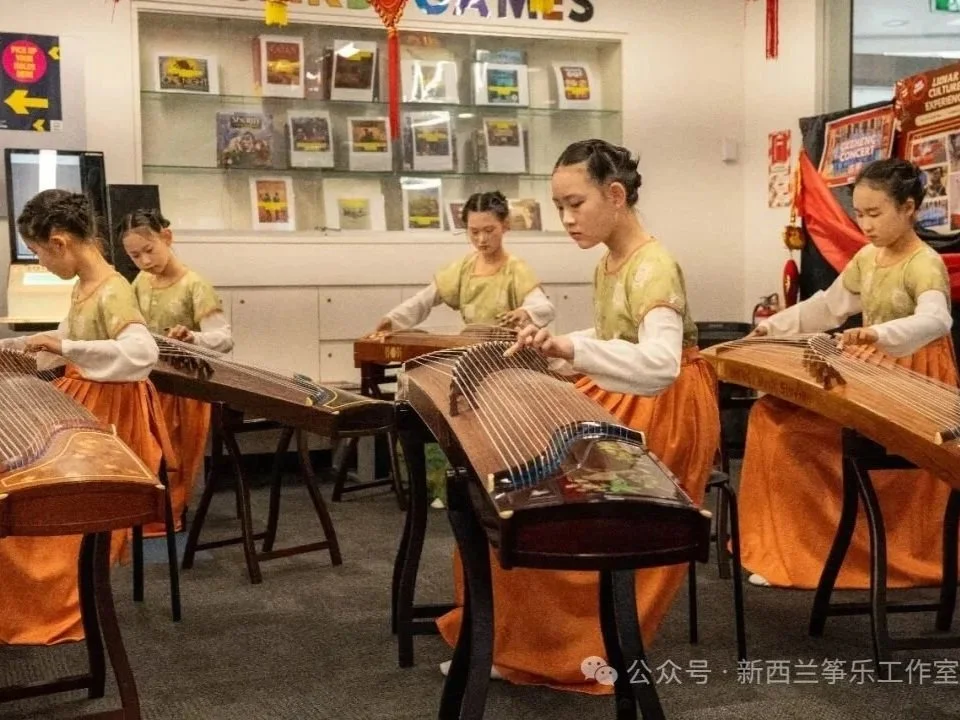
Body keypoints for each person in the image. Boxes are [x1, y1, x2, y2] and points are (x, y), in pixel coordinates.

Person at [436, 139, 720, 692]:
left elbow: (661, 363)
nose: (566, 219)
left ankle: (557, 649)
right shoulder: (611, 261)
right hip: (621, 396)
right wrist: (558, 346)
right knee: (508, 489)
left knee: (547, 514)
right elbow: (616, 335)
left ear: (615, 195)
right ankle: (509, 639)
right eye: (558, 206)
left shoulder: (653, 266)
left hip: (662, 408)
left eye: (575, 204)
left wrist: (572, 350)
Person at [740, 158, 956, 590]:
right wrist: (774, 327)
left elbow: (936, 320)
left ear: (908, 208)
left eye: (875, 213)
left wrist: (878, 333)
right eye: (859, 214)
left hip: (916, 378)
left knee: (793, 436)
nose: (866, 225)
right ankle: (788, 548)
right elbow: (829, 306)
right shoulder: (868, 257)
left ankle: (815, 553)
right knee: (771, 416)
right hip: (874, 372)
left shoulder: (924, 263)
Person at [0, 190, 173, 645]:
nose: (41, 262)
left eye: (38, 252)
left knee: (47, 516)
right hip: (86, 398)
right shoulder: (86, 286)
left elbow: (142, 353)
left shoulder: (114, 289)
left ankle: (49, 604)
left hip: (109, 412)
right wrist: (27, 345)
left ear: (59, 243)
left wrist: (67, 347)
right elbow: (71, 338)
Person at [121, 208, 234, 535]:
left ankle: (168, 516)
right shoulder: (141, 281)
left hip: (186, 388)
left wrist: (193, 337)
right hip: (150, 382)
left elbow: (224, 339)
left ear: (167, 237)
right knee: (145, 450)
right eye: (135, 256)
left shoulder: (194, 285)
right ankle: (144, 513)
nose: (144, 261)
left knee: (176, 456)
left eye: (149, 250)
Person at [374, 190, 555, 333]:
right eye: (474, 232)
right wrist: (392, 320)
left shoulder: (516, 268)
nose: (481, 239)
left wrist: (524, 312)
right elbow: (423, 301)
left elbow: (544, 307)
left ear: (505, 225)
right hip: (473, 348)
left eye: (489, 230)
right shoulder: (463, 267)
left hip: (511, 351)